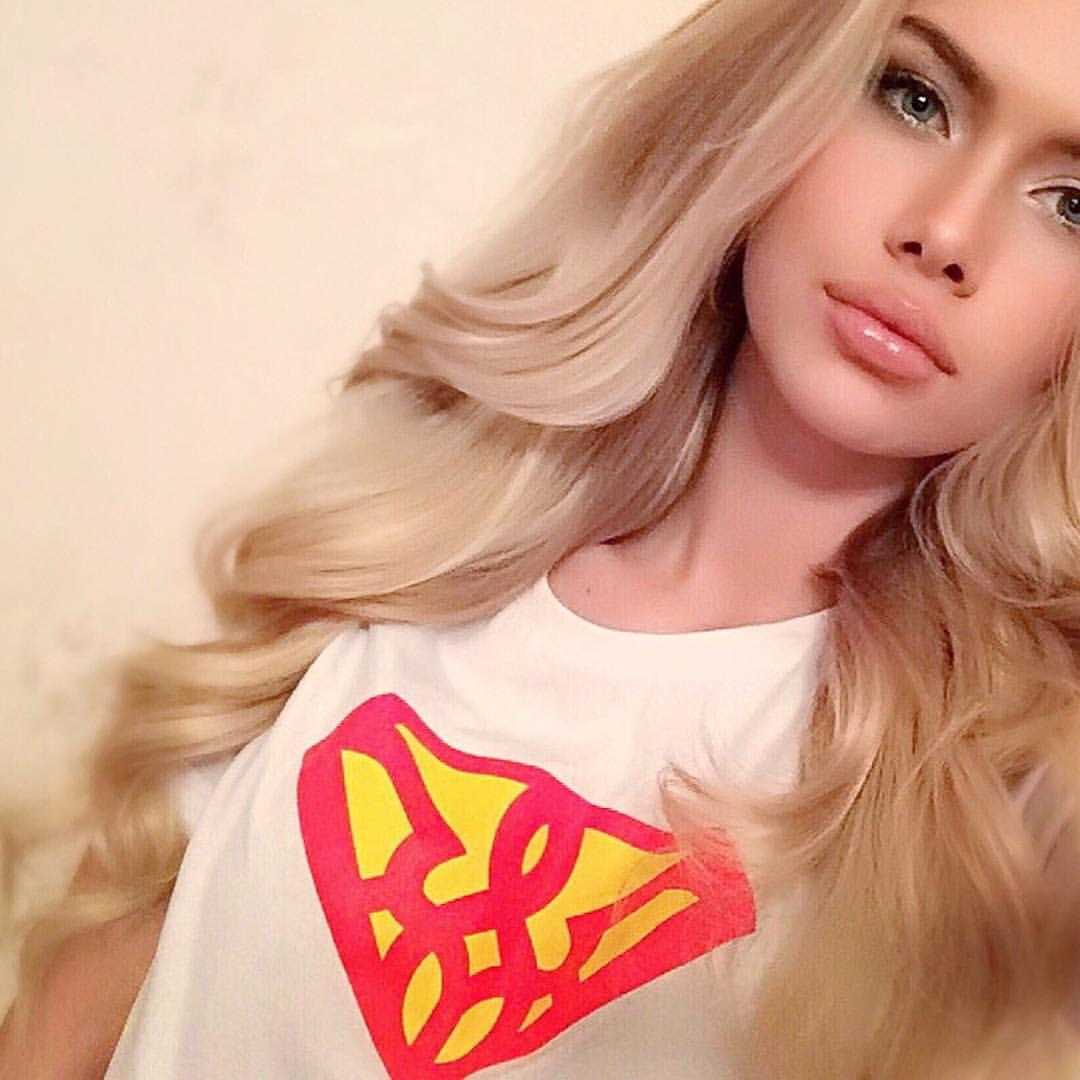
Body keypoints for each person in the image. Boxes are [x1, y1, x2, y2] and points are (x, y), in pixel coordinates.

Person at [4, 0, 1080, 1075]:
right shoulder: (404, 565)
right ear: (776, 95)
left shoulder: (1004, 806)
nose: (945, 232)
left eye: (1072, 204)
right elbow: (72, 1023)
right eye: (913, 97)